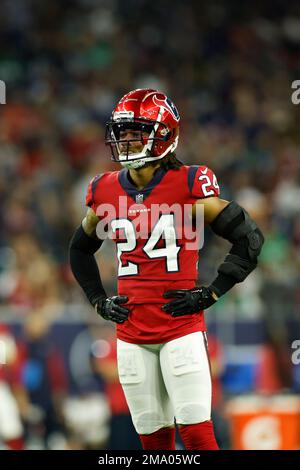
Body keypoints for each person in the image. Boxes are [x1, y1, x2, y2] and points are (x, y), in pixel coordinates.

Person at [69, 88, 264, 450]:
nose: (125, 140)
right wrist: (98, 300)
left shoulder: (190, 183)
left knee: (196, 435)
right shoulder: (104, 189)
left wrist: (213, 291)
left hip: (181, 329)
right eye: (122, 132)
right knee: (152, 441)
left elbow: (249, 239)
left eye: (135, 131)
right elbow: (79, 250)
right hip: (130, 334)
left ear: (164, 134)